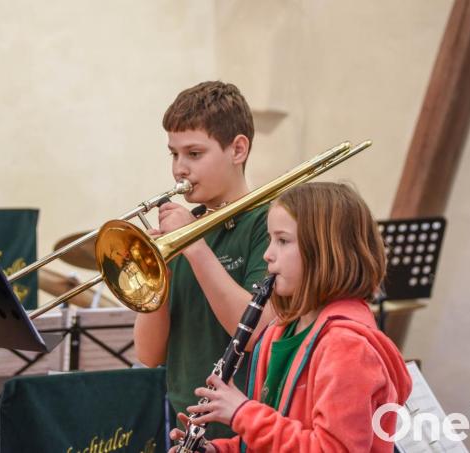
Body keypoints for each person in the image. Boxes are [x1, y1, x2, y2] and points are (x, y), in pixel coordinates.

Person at [170, 182, 413, 452]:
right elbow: (271, 438)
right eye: (271, 239)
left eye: (282, 241)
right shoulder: (281, 331)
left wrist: (242, 413)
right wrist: (219, 449)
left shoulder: (348, 347)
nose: (267, 254)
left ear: (325, 252)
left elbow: (332, 448)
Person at [133, 81, 275, 440]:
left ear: (237, 149)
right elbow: (149, 355)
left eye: (194, 154)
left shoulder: (269, 223)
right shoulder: (184, 232)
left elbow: (258, 332)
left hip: (251, 424)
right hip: (187, 425)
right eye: (174, 154)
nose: (179, 168)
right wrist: (155, 276)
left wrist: (195, 247)